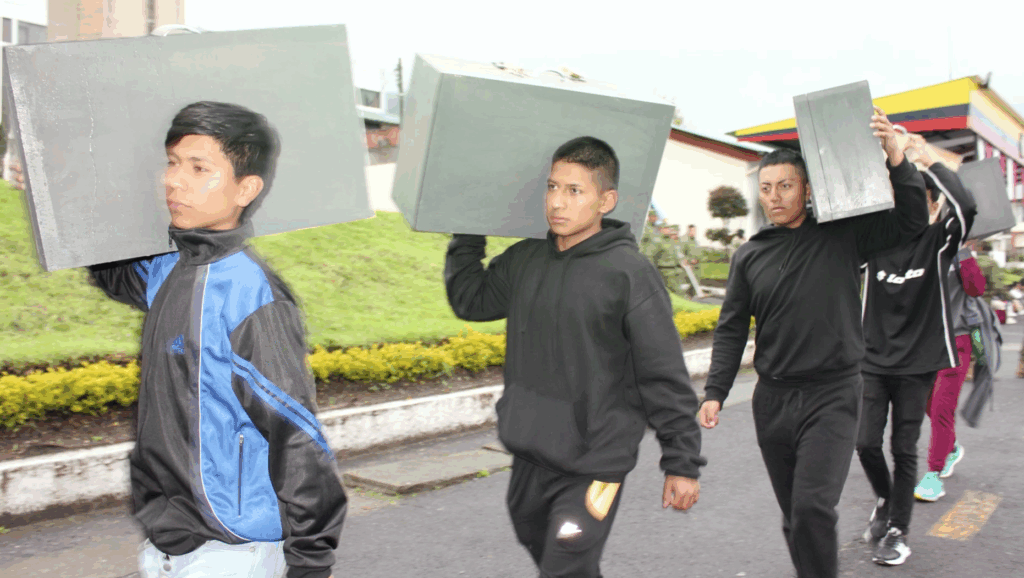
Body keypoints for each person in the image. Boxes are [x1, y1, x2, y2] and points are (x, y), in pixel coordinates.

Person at [82, 102, 346, 578]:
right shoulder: (169, 269)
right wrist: (61, 192)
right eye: (172, 163)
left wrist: (311, 563)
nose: (174, 181)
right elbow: (111, 271)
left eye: (199, 168)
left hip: (228, 551)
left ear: (246, 188)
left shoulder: (253, 296)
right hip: (164, 541)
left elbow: (298, 437)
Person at [445, 136, 706, 577]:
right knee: (562, 564)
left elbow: (663, 376)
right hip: (531, 457)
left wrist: (682, 463)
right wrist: (467, 233)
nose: (557, 203)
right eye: (552, 187)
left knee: (564, 567)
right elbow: (472, 300)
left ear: (606, 200)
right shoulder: (527, 259)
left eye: (574, 191)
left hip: (596, 465)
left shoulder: (629, 275)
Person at [698, 107, 928, 578]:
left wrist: (895, 157)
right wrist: (716, 391)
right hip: (774, 400)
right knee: (795, 519)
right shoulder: (750, 256)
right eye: (766, 188)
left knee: (811, 511)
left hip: (833, 394)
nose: (775, 196)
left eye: (785, 185)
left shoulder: (842, 235)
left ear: (806, 188)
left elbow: (911, 222)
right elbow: (731, 327)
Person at [855, 133, 979, 566]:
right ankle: (888, 500)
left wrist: (924, 157)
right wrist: (886, 155)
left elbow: (965, 205)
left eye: (924, 200)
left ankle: (898, 531)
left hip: (918, 363)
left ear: (932, 206)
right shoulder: (874, 244)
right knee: (866, 443)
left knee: (903, 447)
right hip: (873, 359)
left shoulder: (940, 243)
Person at [915, 244, 988, 502]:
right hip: (925, 341)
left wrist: (965, 254)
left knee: (941, 409)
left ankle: (933, 474)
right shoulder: (921, 247)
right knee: (926, 403)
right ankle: (951, 448)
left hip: (958, 339)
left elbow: (977, 289)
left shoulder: (959, 252)